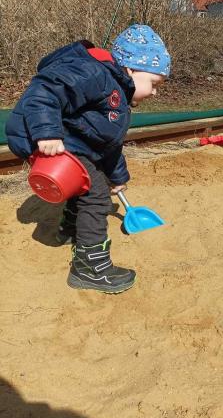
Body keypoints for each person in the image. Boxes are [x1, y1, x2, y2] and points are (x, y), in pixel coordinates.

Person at [6, 24, 170, 294]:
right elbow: (45, 90)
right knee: (96, 196)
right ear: (131, 69)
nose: (155, 92)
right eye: (154, 83)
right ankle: (90, 268)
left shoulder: (118, 95)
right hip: (52, 140)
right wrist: (47, 132)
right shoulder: (95, 74)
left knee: (86, 184)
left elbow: (108, 144)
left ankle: (71, 229)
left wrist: (117, 177)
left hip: (76, 145)